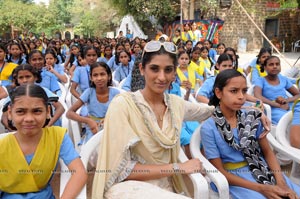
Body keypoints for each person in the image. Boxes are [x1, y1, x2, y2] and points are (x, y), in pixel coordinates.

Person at [92, 40, 215, 198]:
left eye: (168, 70)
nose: (162, 77)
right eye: (154, 69)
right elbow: (121, 170)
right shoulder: (123, 105)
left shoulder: (175, 104)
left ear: (174, 73)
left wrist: (243, 107)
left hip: (165, 186)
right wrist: (178, 167)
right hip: (127, 188)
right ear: (142, 69)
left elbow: (205, 112)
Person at [201, 69, 300, 199]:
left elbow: (267, 152)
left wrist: (281, 181)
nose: (241, 96)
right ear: (218, 93)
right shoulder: (209, 127)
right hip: (234, 178)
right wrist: (262, 188)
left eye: (244, 91)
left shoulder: (251, 117)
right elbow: (219, 170)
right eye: (234, 91)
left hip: (262, 167)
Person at [0, 84, 87, 198]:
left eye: (37, 111)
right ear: (10, 113)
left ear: (47, 112)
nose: (29, 119)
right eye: (21, 111)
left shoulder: (57, 137)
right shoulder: (3, 146)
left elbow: (79, 173)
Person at [67, 62, 120, 145]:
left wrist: (109, 121)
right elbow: (69, 113)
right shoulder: (89, 92)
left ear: (109, 76)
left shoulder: (115, 93)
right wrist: (88, 121)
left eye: (102, 74)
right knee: (93, 149)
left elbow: (122, 113)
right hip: (93, 129)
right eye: (95, 75)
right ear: (91, 78)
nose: (99, 78)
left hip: (112, 127)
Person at [0, 64, 65, 130]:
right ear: (17, 80)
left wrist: (48, 125)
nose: (24, 80)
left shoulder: (43, 91)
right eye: (21, 77)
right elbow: (4, 117)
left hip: (47, 128)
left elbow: (60, 108)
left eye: (28, 77)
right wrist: (15, 131)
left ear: (35, 77)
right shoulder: (14, 94)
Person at [254, 56, 300, 124]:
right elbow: (257, 96)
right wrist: (277, 105)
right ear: (265, 67)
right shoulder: (261, 80)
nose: (275, 66)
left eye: (277, 64)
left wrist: (286, 100)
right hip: (272, 109)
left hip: (287, 105)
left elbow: (298, 94)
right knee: (289, 121)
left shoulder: (283, 79)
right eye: (271, 64)